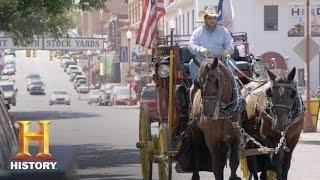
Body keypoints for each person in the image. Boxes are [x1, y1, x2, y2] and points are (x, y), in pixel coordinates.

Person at [188, 6, 235, 81]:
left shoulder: (224, 31)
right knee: (192, 64)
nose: (212, 20)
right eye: (210, 18)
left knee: (230, 63)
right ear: (205, 19)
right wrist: (199, 49)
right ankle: (197, 88)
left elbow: (230, 44)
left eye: (214, 18)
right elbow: (191, 45)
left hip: (220, 59)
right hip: (202, 59)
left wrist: (227, 51)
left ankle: (233, 89)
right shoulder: (197, 32)